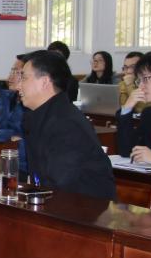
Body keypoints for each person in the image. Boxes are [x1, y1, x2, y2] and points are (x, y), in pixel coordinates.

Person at [18, 50, 115, 200]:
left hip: (84, 207)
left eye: (24, 78)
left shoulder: (66, 123)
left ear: (44, 82)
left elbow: (63, 183)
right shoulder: (41, 116)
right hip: (57, 203)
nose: (19, 85)